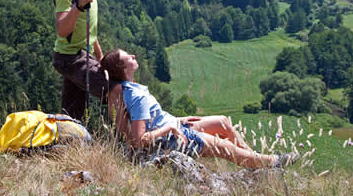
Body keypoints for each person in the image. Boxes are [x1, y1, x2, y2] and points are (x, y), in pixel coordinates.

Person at [101, 48, 298, 169]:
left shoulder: (124, 91)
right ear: (122, 68)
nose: (133, 56)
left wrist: (179, 120)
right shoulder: (137, 95)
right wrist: (170, 128)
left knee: (222, 122)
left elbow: (148, 121)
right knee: (226, 148)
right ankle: (271, 162)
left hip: (175, 126)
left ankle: (254, 161)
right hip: (172, 139)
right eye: (128, 57)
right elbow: (138, 139)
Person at [52, 0, 108, 121]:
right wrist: (77, 6)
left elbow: (89, 29)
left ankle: (66, 147)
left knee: (72, 114)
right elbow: (62, 30)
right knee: (115, 89)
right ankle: (137, 141)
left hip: (81, 54)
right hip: (71, 57)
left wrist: (102, 59)